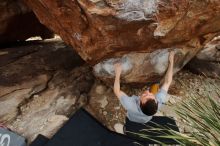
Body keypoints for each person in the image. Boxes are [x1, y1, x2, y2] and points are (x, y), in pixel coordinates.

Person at [113, 51, 174, 124]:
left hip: (131, 117)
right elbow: (167, 82)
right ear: (156, 102)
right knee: (156, 85)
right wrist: (171, 61)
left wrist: (117, 73)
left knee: (130, 118)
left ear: (140, 103)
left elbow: (117, 91)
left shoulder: (130, 105)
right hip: (146, 120)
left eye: (144, 95)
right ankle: (155, 83)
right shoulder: (159, 102)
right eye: (151, 95)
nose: (147, 92)